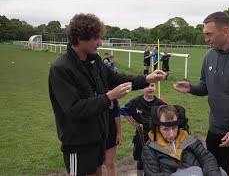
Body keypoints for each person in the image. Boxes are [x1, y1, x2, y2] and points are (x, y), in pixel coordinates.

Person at [48, 13, 166, 176]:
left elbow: (117, 79)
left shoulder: (94, 61)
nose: (100, 43)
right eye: (96, 38)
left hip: (98, 138)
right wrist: (109, 96)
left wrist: (147, 78)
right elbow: (74, 109)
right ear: (81, 37)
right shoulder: (61, 68)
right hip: (78, 143)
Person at [173, 11, 229, 176]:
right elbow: (205, 86)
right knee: (215, 172)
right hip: (216, 130)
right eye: (204, 34)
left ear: (225, 31)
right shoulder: (209, 56)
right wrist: (192, 88)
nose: (206, 38)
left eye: (209, 34)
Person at [141, 105, 224, 176]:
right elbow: (152, 174)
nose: (172, 134)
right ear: (157, 128)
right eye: (166, 129)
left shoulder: (188, 139)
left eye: (174, 128)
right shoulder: (149, 148)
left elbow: (206, 158)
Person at [121, 83, 166, 176]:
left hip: (156, 135)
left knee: (155, 158)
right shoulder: (136, 101)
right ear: (141, 88)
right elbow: (123, 110)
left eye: (152, 86)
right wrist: (133, 122)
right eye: (147, 86)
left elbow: (169, 115)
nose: (150, 88)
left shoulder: (160, 103)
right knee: (140, 158)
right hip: (141, 134)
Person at [104, 99, 122, 176]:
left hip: (110, 133)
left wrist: (119, 133)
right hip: (94, 135)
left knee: (110, 163)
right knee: (94, 166)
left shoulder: (113, 99)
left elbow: (117, 116)